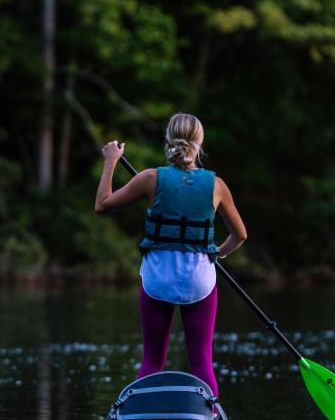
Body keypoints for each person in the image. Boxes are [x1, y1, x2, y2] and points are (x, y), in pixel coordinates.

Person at [95, 112, 247, 397]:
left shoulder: (150, 178)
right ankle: (211, 418)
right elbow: (240, 236)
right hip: (199, 280)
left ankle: (141, 417)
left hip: (158, 279)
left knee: (152, 361)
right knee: (201, 361)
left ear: (168, 140)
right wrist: (218, 253)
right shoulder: (217, 185)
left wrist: (110, 162)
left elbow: (102, 205)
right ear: (199, 143)